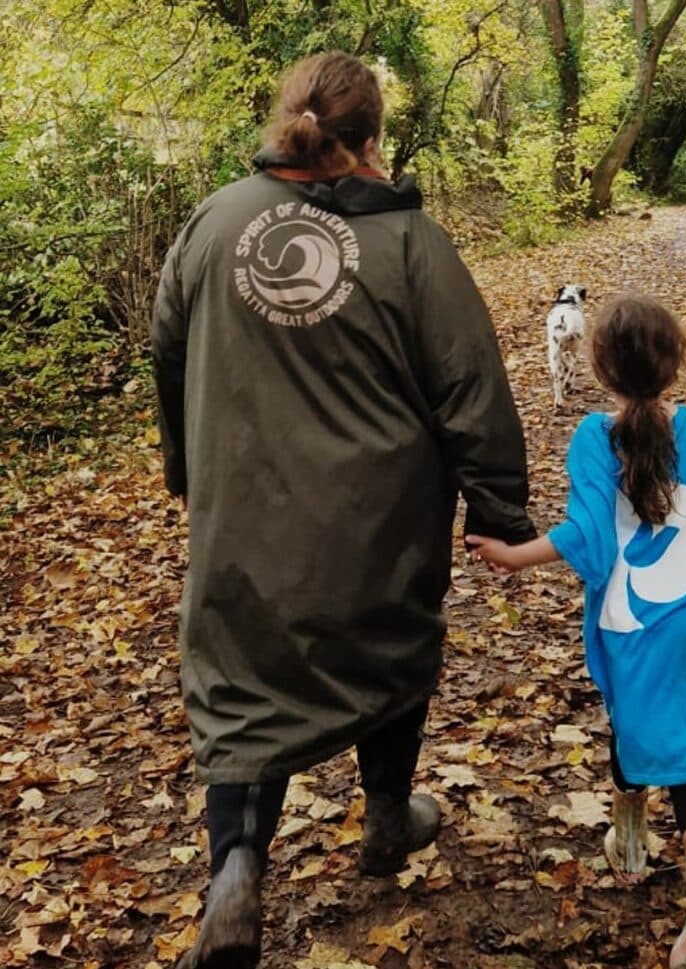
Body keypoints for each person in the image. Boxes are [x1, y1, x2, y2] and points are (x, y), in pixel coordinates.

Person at [151, 51, 535, 968]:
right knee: (389, 654)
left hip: (242, 524)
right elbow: (470, 382)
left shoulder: (213, 222)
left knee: (243, 683)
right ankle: (390, 818)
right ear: (369, 141)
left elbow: (167, 348)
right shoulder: (411, 242)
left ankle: (238, 869)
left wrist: (187, 469)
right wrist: (499, 506)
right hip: (379, 523)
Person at [468, 295, 686, 969]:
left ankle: (642, 856)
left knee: (632, 722)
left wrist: (516, 554)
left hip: (630, 622)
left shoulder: (595, 437)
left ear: (600, 368)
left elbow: (591, 541)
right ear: (676, 360)